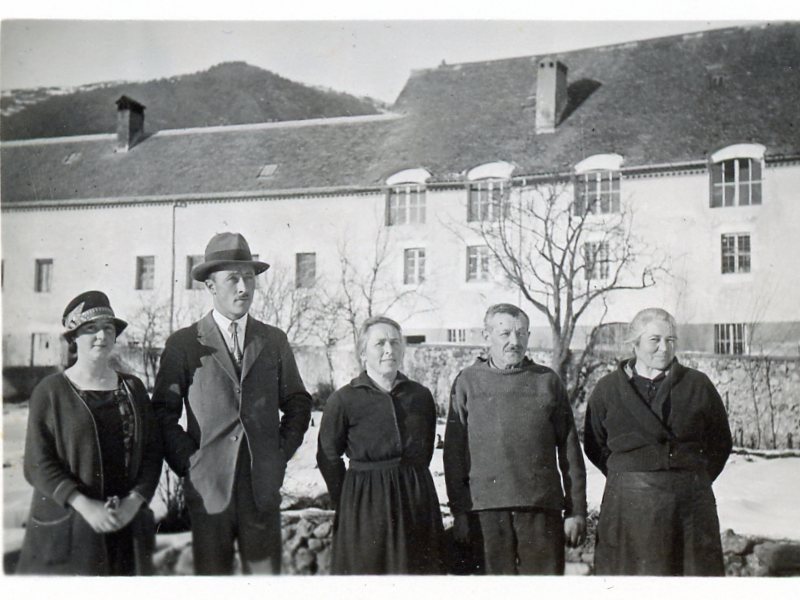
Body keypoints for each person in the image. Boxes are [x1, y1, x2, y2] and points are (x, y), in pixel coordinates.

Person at [152, 232, 312, 575]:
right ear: (210, 286)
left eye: (249, 278)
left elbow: (298, 402)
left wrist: (279, 454)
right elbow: (162, 415)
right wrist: (192, 464)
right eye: (233, 279)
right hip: (209, 493)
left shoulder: (273, 340)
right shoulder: (184, 344)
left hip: (261, 489)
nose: (244, 288)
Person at [17, 291, 162, 575]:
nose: (101, 336)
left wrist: (134, 502)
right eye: (90, 329)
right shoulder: (51, 391)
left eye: (108, 328)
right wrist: (85, 505)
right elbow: (37, 463)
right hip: (70, 526)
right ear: (73, 338)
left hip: (126, 525)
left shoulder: (132, 388)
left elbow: (152, 453)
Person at [583, 307, 733, 576]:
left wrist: (690, 477)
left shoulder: (698, 385)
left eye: (671, 340)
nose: (664, 348)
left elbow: (720, 443)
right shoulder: (607, 389)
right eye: (655, 340)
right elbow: (595, 444)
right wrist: (628, 472)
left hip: (689, 509)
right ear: (635, 343)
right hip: (626, 506)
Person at [444, 303, 587, 575]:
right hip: (484, 512)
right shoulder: (467, 382)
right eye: (505, 334)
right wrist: (460, 512)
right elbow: (453, 455)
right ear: (487, 337)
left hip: (540, 510)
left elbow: (570, 451)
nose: (514, 341)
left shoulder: (547, 381)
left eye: (521, 334)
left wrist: (576, 510)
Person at [317, 316, 444, 574]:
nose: (389, 350)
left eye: (395, 343)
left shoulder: (420, 396)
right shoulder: (344, 399)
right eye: (380, 343)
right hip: (366, 502)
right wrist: (350, 497)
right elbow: (327, 455)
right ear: (363, 353)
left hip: (416, 498)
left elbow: (426, 449)